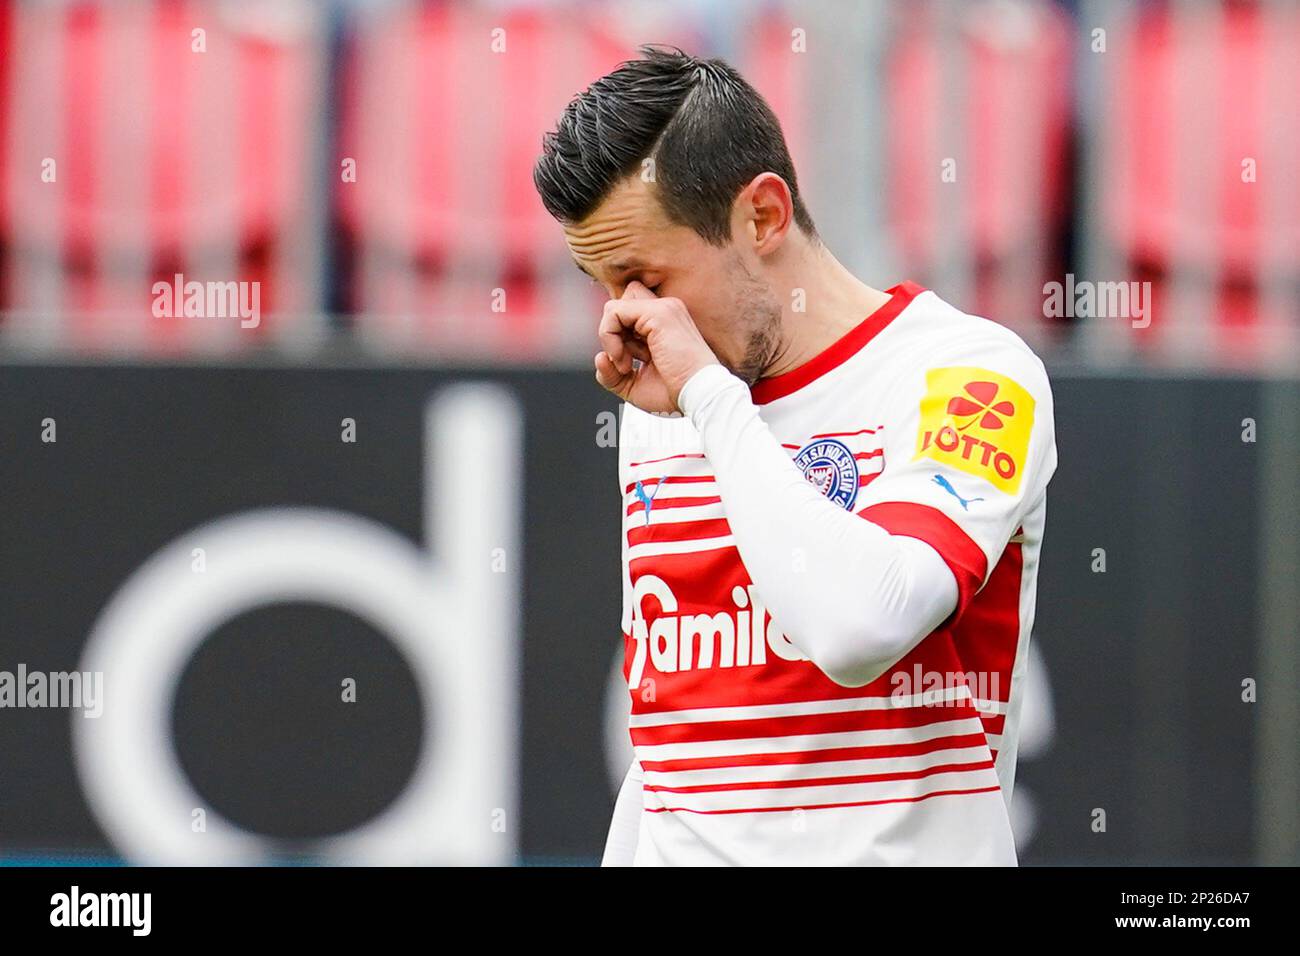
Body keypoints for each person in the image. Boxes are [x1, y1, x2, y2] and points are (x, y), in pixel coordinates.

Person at [534, 45, 1057, 866]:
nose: (625, 321)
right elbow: (671, 737)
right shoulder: (667, 405)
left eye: (645, 276)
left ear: (765, 215)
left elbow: (860, 625)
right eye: (603, 285)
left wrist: (712, 403)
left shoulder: (968, 376)